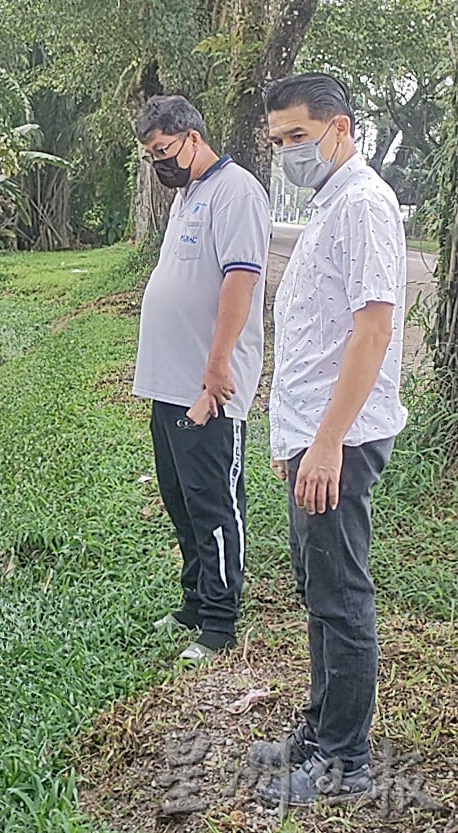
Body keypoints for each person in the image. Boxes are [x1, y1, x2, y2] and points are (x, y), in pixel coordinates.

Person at [255, 72, 407, 806]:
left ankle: (344, 762)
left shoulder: (363, 205)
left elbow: (370, 331)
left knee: (341, 596)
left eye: (297, 138)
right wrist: (293, 436)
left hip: (338, 439)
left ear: (339, 128)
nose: (287, 152)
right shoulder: (326, 203)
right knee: (316, 589)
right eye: (277, 141)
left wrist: (325, 444)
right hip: (311, 434)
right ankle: (318, 731)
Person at [132, 95, 270, 664]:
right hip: (169, 382)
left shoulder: (235, 192)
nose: (158, 162)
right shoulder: (188, 196)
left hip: (208, 385)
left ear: (192, 138)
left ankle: (218, 621)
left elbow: (240, 281)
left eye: (162, 150)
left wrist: (218, 366)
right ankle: (193, 600)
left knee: (214, 503)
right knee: (180, 500)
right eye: (149, 156)